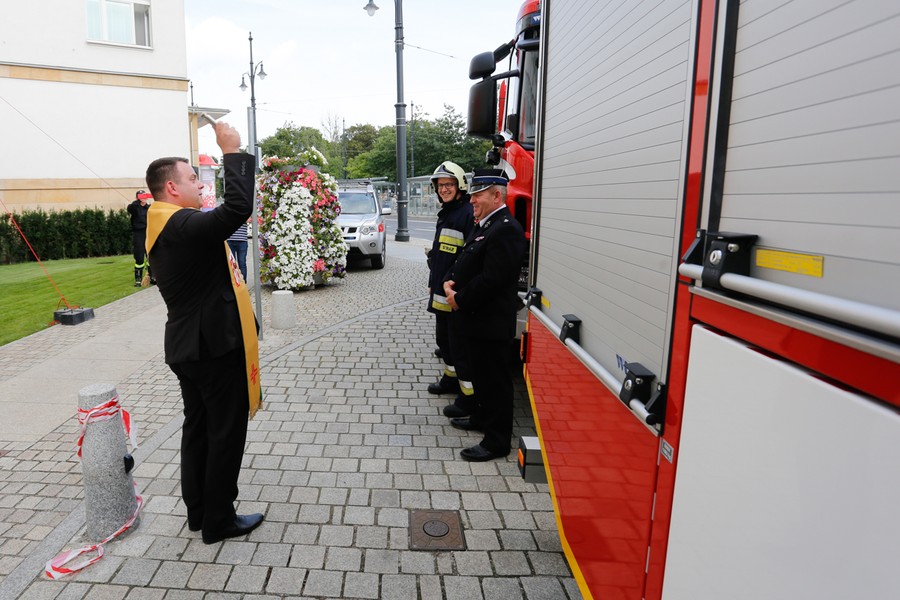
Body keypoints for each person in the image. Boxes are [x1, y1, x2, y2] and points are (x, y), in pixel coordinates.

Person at [144, 121, 264, 544]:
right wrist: (231, 151)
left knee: (198, 428)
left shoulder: (163, 223)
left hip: (189, 347)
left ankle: (199, 512)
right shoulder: (179, 224)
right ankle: (219, 520)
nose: (199, 184)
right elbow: (237, 209)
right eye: (192, 178)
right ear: (172, 188)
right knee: (224, 433)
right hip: (213, 348)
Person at [443, 168, 527, 462]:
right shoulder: (487, 224)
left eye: (477, 195)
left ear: (497, 196)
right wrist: (450, 280)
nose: (472, 200)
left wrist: (459, 298)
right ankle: (480, 417)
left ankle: (496, 441)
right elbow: (467, 259)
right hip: (475, 320)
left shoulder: (506, 229)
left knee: (494, 383)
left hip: (489, 322)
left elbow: (493, 279)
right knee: (480, 377)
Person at [425, 162, 476, 418]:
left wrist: (455, 289)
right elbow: (441, 253)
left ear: (460, 186)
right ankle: (450, 379)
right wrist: (433, 280)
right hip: (441, 290)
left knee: (460, 348)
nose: (443, 189)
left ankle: (469, 399)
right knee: (444, 341)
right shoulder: (447, 213)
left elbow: (469, 257)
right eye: (440, 185)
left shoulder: (466, 213)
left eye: (449, 184)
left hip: (456, 294)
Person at [127, 190, 154, 286]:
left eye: (144, 196)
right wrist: (138, 202)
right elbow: (130, 208)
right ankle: (138, 279)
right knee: (139, 256)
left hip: (148, 233)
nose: (143, 198)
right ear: (137, 197)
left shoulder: (149, 208)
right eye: (141, 196)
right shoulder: (134, 207)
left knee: (150, 255)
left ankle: (152, 277)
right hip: (139, 234)